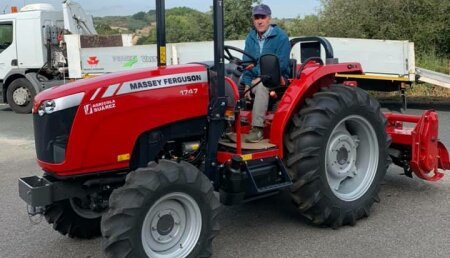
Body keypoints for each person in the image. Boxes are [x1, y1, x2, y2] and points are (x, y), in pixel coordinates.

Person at [241, 4, 291, 143]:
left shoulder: (280, 37)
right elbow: (247, 63)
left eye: (263, 17)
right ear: (253, 20)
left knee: (263, 85)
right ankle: (229, 125)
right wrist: (246, 83)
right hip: (256, 78)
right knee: (231, 79)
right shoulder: (251, 37)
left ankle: (257, 129)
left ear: (269, 19)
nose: (260, 21)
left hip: (277, 77)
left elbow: (281, 65)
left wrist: (257, 74)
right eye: (256, 17)